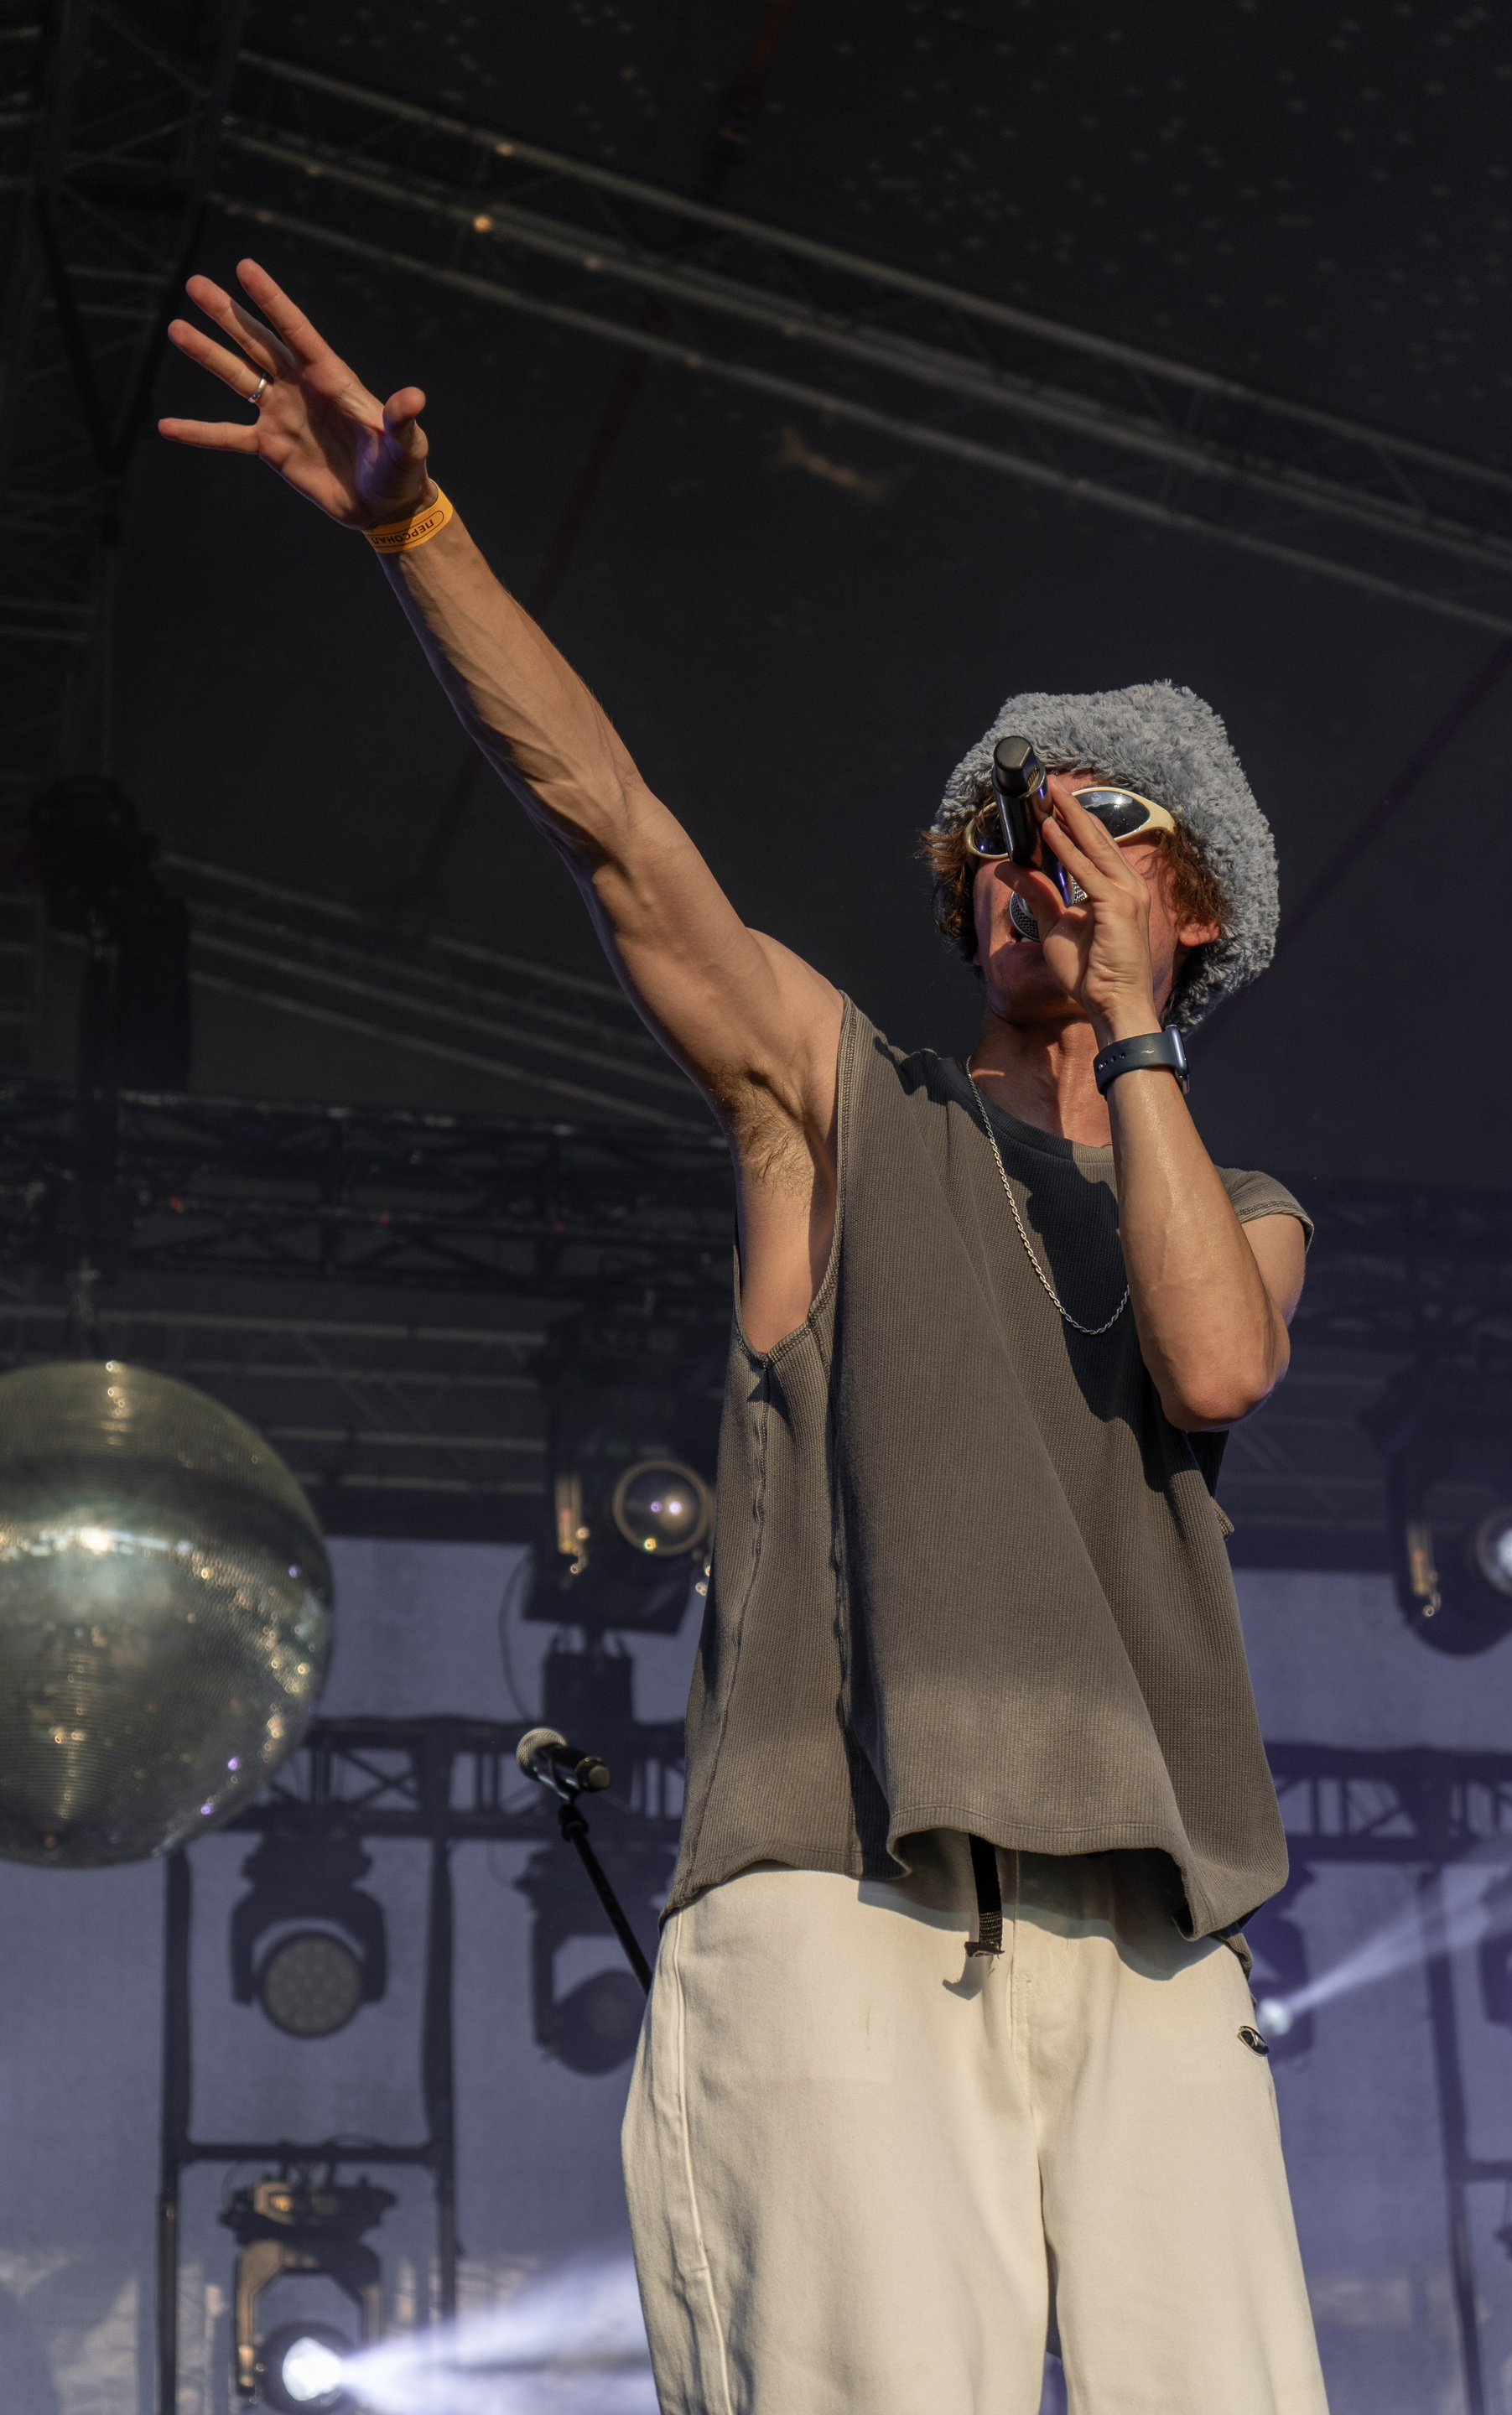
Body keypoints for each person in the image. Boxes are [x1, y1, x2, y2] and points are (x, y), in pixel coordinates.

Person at [163, 262, 1330, 2415]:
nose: (1044, 865)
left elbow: (1217, 1366)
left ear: (1198, 906)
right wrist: (418, 532)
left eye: (1104, 829)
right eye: (1008, 833)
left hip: (1157, 1930)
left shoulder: (1243, 1208)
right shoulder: (840, 1100)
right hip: (849, 1892)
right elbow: (615, 832)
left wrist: (1139, 1035)